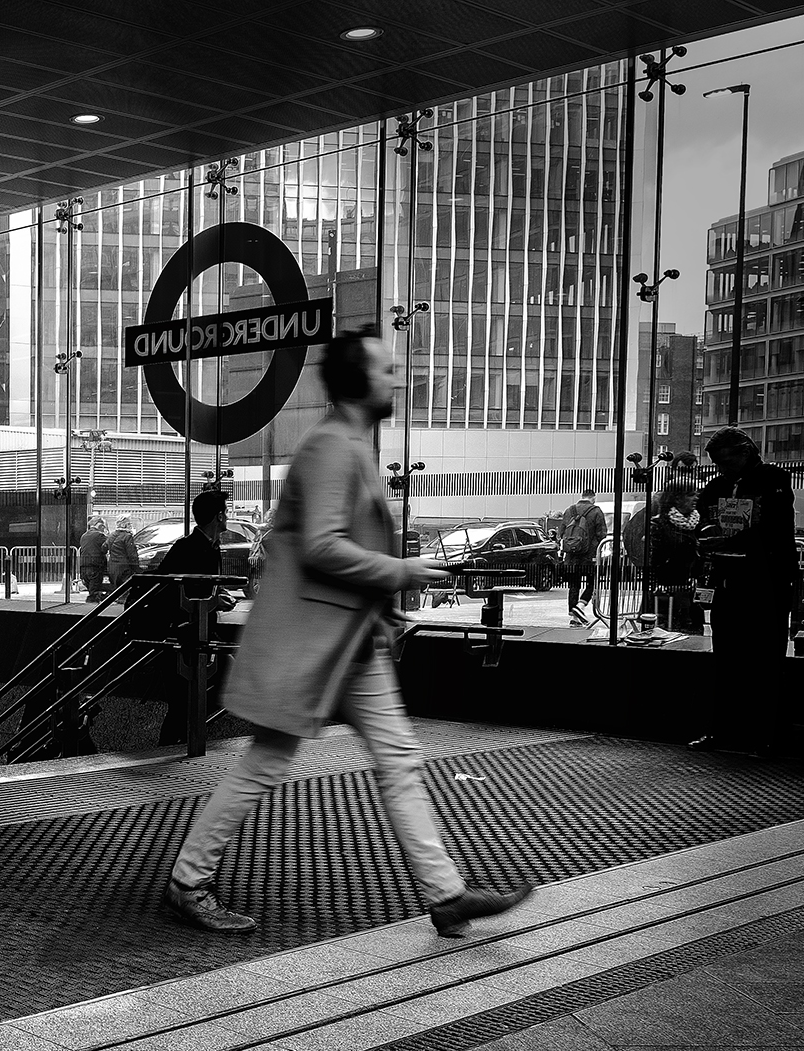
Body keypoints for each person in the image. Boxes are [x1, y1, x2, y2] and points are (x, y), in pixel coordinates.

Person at [164, 328, 534, 938]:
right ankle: (187, 881)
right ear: (359, 380)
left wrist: (384, 610)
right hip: (315, 644)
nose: (396, 378)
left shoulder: (350, 444)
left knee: (397, 759)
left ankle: (445, 895)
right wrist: (404, 571)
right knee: (270, 761)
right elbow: (321, 547)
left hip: (346, 645)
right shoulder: (332, 447)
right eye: (385, 369)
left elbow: (341, 548)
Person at [694, 426, 797, 755]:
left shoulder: (773, 481)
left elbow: (776, 528)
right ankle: (724, 731)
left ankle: (765, 736)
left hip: (765, 579)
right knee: (726, 659)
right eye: (718, 464)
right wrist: (704, 539)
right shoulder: (717, 485)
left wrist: (732, 536)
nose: (723, 470)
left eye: (727, 462)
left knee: (765, 660)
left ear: (745, 454)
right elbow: (703, 521)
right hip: (728, 579)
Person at [155, 488, 236, 746]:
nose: (227, 516)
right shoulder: (191, 549)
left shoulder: (207, 548)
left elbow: (201, 589)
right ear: (217, 516)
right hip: (183, 636)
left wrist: (217, 596)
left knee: (184, 703)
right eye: (225, 511)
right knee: (181, 703)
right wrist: (214, 601)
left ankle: (183, 740)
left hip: (198, 634)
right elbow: (177, 594)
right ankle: (172, 747)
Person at [650, 478, 703, 633]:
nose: (696, 498)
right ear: (677, 498)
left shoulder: (699, 522)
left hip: (692, 593)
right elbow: (655, 562)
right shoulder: (659, 524)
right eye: (691, 494)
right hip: (667, 595)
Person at [558, 488, 606, 627]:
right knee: (593, 582)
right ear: (593, 497)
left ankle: (574, 619)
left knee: (573, 585)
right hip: (589, 556)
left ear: (582, 496)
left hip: (571, 556)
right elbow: (602, 534)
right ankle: (581, 605)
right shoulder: (596, 511)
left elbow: (562, 532)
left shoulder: (569, 510)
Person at [77, 515, 109, 601]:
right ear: (100, 525)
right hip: (95, 567)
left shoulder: (84, 535)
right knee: (94, 593)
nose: (104, 529)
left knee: (92, 590)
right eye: (104, 527)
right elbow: (109, 544)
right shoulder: (99, 536)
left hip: (84, 566)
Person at [105, 516, 140, 590]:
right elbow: (132, 554)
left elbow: (104, 547)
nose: (131, 526)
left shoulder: (111, 535)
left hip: (112, 566)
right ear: (124, 525)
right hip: (124, 567)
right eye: (129, 523)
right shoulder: (127, 536)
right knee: (125, 589)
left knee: (115, 590)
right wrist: (136, 568)